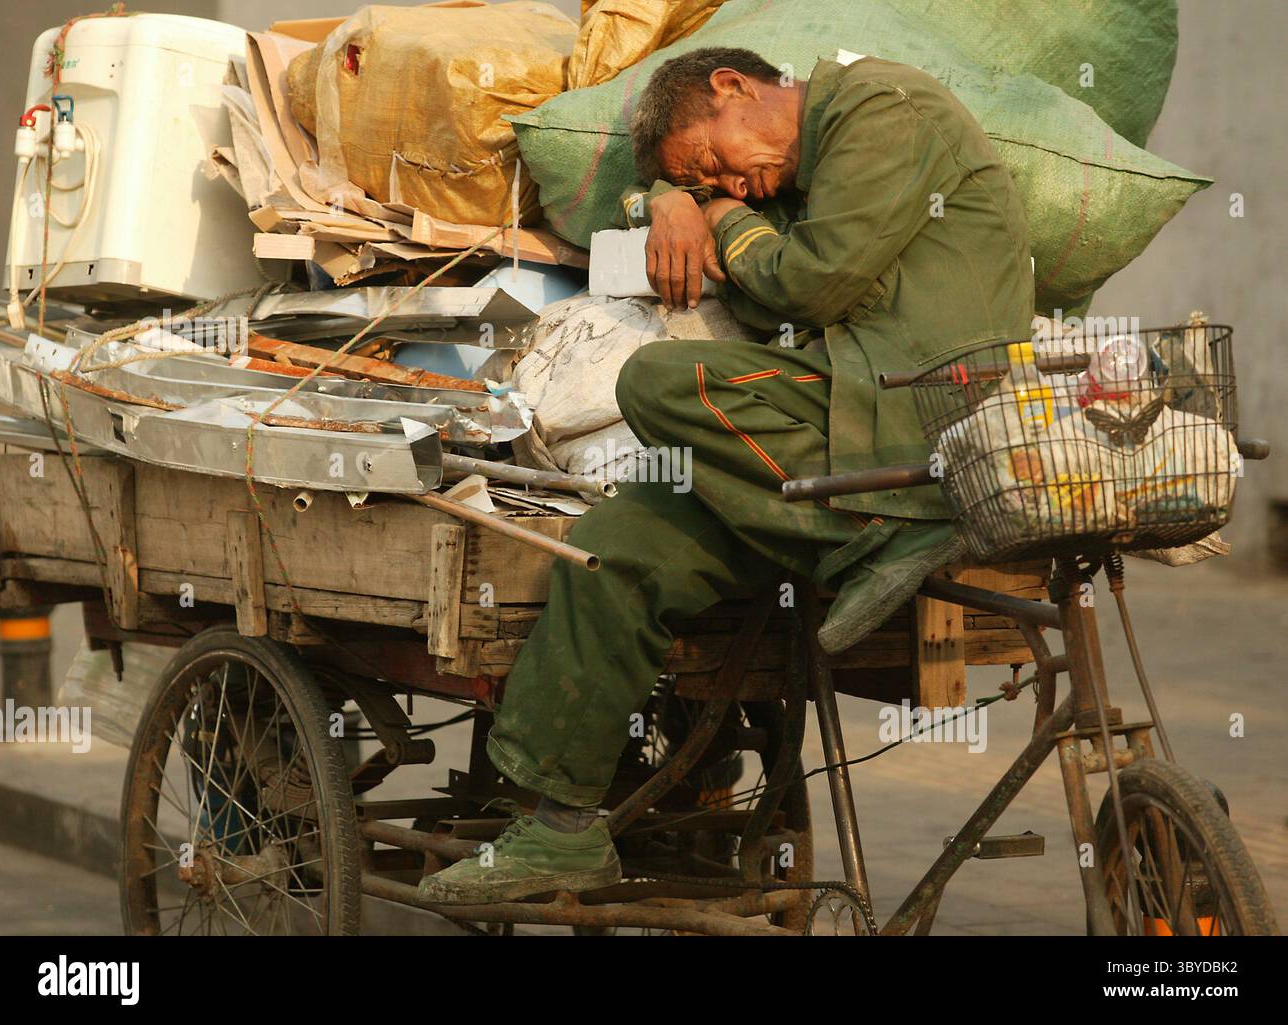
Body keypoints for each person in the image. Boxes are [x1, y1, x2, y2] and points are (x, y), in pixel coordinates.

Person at [417, 47, 1034, 905]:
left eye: (710, 158)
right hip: (832, 426)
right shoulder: (786, 165)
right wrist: (674, 197)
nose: (730, 185)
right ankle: (561, 828)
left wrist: (721, 220)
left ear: (734, 87)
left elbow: (811, 282)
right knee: (614, 546)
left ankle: (881, 533)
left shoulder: (880, 109)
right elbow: (681, 221)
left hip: (911, 421)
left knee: (659, 382)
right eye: (709, 179)